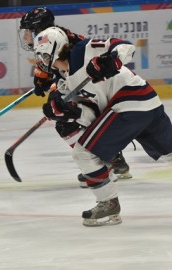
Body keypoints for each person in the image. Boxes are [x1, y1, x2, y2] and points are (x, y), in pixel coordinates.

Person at [35, 26, 172, 226]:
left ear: (56, 49)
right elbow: (90, 112)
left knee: (83, 153)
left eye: (45, 56)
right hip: (146, 103)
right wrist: (67, 112)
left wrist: (111, 60)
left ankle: (108, 204)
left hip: (129, 103)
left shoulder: (83, 50)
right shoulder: (63, 81)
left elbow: (124, 46)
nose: (43, 62)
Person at [18, 7, 132, 187]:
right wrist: (42, 75)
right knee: (63, 117)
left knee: (65, 119)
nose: (25, 37)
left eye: (28, 32)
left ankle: (103, 163)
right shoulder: (51, 41)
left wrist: (54, 89)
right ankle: (110, 160)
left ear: (39, 30)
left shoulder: (66, 43)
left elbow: (71, 77)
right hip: (92, 92)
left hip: (101, 93)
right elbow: (56, 70)